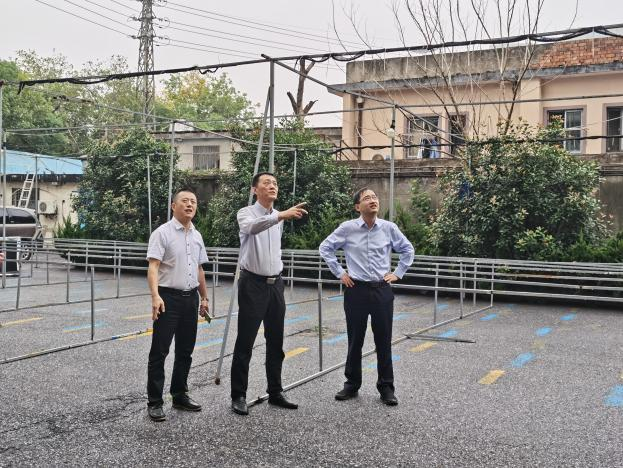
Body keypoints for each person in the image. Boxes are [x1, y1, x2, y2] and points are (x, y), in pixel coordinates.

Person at [319, 188, 414, 406]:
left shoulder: (389, 228)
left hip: (382, 289)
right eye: (367, 198)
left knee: (384, 340)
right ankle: (351, 384)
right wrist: (340, 273)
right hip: (356, 290)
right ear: (357, 207)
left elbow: (408, 250)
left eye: (374, 197)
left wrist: (398, 273)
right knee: (355, 340)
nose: (373, 200)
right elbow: (325, 248)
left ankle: (386, 387)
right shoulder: (347, 228)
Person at [230, 172, 308, 416]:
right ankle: (238, 395)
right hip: (252, 284)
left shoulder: (278, 217)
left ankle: (275, 391)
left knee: (276, 341)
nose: (272, 186)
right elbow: (252, 228)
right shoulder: (246, 213)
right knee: (245, 341)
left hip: (276, 285)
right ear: (255, 189)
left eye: (275, 183)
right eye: (267, 183)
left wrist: (279, 216)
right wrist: (280, 215)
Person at [145, 189, 210, 422]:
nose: (190, 205)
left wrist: (204, 297)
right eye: (185, 201)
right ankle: (155, 402)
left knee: (185, 350)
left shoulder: (197, 235)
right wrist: (155, 296)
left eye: (193, 201)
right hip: (168, 298)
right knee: (160, 351)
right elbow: (153, 267)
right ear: (174, 206)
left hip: (191, 299)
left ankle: (179, 394)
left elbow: (199, 269)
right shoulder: (162, 233)